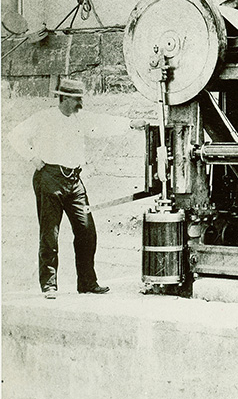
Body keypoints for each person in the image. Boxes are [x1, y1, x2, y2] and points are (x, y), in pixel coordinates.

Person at [9, 78, 145, 299]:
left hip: (74, 182)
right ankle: (49, 285)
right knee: (50, 235)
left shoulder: (80, 119)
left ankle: (87, 283)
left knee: (86, 231)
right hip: (49, 179)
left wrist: (131, 123)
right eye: (76, 99)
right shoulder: (43, 118)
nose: (80, 103)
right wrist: (33, 158)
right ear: (63, 98)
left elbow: (103, 124)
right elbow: (14, 135)